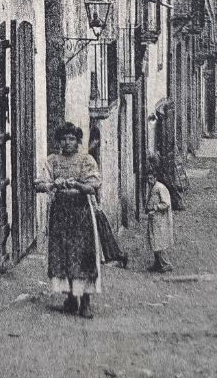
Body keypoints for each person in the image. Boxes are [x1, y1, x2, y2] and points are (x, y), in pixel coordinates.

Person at [35, 121, 103, 318]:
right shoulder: (52, 161)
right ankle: (71, 299)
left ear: (78, 141)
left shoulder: (86, 160)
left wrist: (78, 185)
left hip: (81, 212)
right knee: (63, 253)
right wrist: (52, 185)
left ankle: (86, 301)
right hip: (60, 213)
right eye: (63, 139)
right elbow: (39, 184)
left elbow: (92, 187)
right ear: (59, 141)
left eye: (71, 139)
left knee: (82, 254)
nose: (67, 142)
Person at [87, 125, 129, 269]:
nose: (96, 144)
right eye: (95, 141)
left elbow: (94, 183)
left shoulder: (90, 157)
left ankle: (114, 255)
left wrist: (95, 204)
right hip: (92, 201)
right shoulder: (88, 156)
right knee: (101, 227)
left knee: (102, 227)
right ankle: (113, 255)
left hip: (92, 201)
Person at [145, 156, 174, 273]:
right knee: (154, 241)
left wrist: (156, 207)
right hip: (154, 218)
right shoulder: (153, 188)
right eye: (148, 179)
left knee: (159, 241)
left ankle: (166, 264)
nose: (149, 181)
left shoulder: (160, 188)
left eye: (151, 178)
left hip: (160, 219)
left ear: (155, 178)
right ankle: (158, 263)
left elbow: (166, 203)